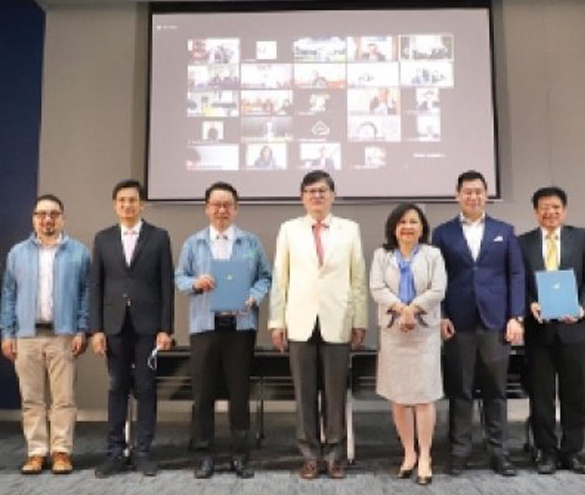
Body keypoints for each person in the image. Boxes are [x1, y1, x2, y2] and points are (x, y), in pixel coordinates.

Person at [268, 170, 367, 480]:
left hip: (338, 321)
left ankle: (335, 456)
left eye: (322, 191)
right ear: (302, 197)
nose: (316, 196)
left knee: (336, 395)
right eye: (310, 191)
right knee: (304, 394)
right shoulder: (289, 230)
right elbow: (279, 280)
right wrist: (276, 321)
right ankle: (310, 456)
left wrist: (359, 319)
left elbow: (358, 280)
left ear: (333, 195)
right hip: (299, 322)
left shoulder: (350, 230)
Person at [175, 182, 272, 479]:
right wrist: (195, 283)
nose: (221, 210)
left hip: (240, 328)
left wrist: (254, 296)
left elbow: (266, 277)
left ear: (236, 208)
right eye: (215, 204)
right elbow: (180, 277)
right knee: (203, 395)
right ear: (206, 208)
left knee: (239, 394)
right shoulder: (193, 243)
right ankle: (204, 455)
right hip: (205, 327)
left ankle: (240, 455)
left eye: (227, 205)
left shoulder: (251, 242)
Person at [431, 170, 525, 477]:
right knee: (460, 390)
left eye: (479, 191)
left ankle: (498, 452)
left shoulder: (504, 230)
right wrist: (442, 314)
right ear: (457, 195)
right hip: (458, 323)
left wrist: (516, 316)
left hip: (496, 322)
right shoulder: (443, 233)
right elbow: (437, 279)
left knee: (496, 390)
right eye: (467, 192)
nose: (473, 197)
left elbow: (516, 275)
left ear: (487, 195)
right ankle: (459, 452)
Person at [0, 194, 91, 475]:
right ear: (34, 218)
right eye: (41, 214)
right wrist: (7, 333)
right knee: (31, 399)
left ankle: (61, 452)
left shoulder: (79, 252)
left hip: (64, 335)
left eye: (53, 214)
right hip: (26, 335)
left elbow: (87, 293)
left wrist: (82, 329)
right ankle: (36, 453)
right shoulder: (18, 253)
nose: (47, 219)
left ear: (62, 217)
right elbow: (8, 295)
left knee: (64, 399)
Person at [90, 179, 175, 478]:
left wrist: (166, 328)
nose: (127, 205)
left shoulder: (159, 237)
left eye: (133, 200)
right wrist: (96, 330)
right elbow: (96, 286)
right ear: (115, 205)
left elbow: (167, 285)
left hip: (148, 326)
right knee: (116, 387)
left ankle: (142, 451)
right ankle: (115, 451)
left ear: (142, 204)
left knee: (146, 387)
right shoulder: (103, 239)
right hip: (114, 325)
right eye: (122, 200)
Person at [518, 186, 585, 475]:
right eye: (544, 207)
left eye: (555, 207)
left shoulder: (582, 238)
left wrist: (582, 308)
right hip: (539, 331)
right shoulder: (523, 243)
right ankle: (547, 452)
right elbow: (520, 284)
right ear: (535, 211)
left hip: (574, 329)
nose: (550, 212)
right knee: (541, 395)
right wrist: (530, 304)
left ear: (564, 210)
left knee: (575, 394)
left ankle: (571, 453)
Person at [370, 203, 446, 485]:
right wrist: (401, 310)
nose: (408, 227)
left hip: (424, 333)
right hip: (393, 332)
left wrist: (412, 310)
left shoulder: (433, 254)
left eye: (414, 221)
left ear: (422, 227)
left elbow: (438, 289)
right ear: (394, 227)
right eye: (402, 222)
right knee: (399, 397)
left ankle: (425, 455)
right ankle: (409, 453)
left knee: (424, 396)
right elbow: (377, 288)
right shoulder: (382, 255)